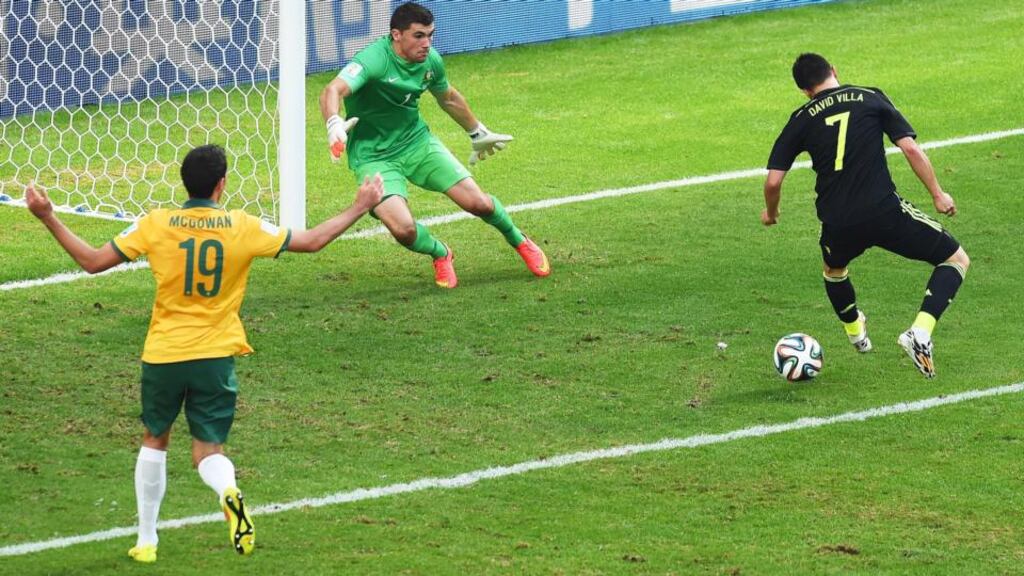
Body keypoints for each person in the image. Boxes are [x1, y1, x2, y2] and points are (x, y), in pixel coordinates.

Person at [24, 144, 383, 563]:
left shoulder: (156, 224)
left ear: (184, 182)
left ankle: (146, 541)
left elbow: (92, 261)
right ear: (221, 184)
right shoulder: (241, 226)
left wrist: (47, 216)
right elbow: (312, 241)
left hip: (164, 354)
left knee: (155, 439)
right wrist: (360, 206)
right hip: (214, 356)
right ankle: (228, 491)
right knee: (208, 450)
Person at [762, 53, 969, 378]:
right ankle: (921, 331)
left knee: (834, 270)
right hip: (885, 212)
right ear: (834, 70)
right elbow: (911, 149)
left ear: (804, 90)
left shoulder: (801, 117)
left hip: (839, 222)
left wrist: (772, 213)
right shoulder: (870, 97)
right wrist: (938, 195)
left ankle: (855, 332)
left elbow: (773, 181)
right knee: (955, 260)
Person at [319, 1, 550, 289]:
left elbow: (448, 97)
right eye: (419, 35)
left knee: (477, 202)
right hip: (373, 156)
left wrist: (476, 132)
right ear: (396, 35)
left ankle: (519, 239)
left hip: (416, 143)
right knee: (403, 230)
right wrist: (333, 122)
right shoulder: (373, 60)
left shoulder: (430, 61)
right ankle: (441, 253)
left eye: (431, 35)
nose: (427, 43)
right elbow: (333, 89)